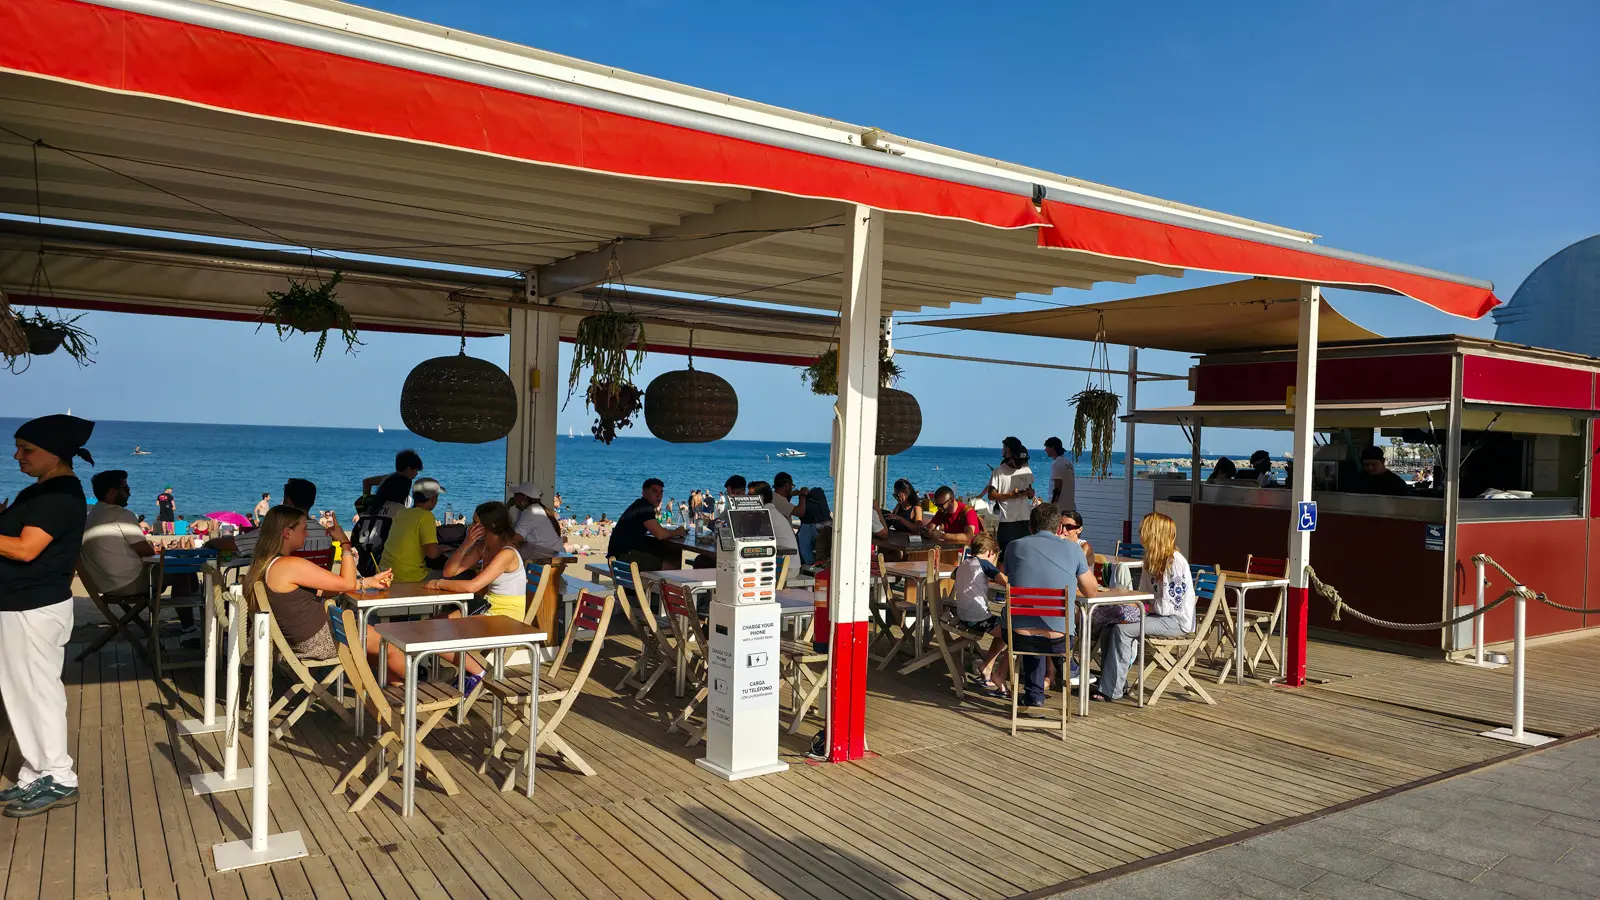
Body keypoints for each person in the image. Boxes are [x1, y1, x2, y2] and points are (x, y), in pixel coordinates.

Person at [0, 414, 96, 816]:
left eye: (27, 450)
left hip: (34, 607)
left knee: (38, 693)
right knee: (21, 693)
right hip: (21, 604)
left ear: (55, 455)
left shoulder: (59, 496)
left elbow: (25, 549)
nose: (17, 456)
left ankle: (59, 776)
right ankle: (36, 771)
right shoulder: (38, 492)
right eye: (18, 447)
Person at [245, 505, 392, 662]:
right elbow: (347, 584)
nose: (307, 534)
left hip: (295, 640)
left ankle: (392, 684)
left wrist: (368, 582)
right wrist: (344, 542)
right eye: (303, 529)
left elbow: (330, 588)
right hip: (316, 641)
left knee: (376, 646)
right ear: (287, 533)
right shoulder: (288, 565)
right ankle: (411, 683)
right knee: (389, 644)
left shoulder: (269, 564)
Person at [1001, 503, 1101, 711]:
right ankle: (1068, 669)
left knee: (1028, 623)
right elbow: (1091, 591)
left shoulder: (1014, 546)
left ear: (1030, 526)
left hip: (1019, 636)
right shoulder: (1074, 549)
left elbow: (1009, 575)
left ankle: (1034, 695)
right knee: (1045, 627)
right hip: (1060, 640)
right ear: (1059, 528)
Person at [1092, 512, 1192, 702]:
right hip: (1158, 615)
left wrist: (1143, 608)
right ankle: (1111, 682)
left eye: (1143, 530)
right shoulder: (1151, 560)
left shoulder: (1175, 562)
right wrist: (1137, 605)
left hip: (1175, 621)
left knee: (1122, 630)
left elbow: (1169, 606)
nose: (1140, 533)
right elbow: (1143, 594)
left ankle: (1112, 689)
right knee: (1109, 628)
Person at [81, 470, 200, 625]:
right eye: (126, 489)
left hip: (102, 583)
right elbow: (145, 551)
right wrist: (156, 550)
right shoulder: (122, 515)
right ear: (112, 492)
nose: (129, 493)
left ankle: (191, 615)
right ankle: (189, 627)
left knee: (182, 570)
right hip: (126, 583)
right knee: (184, 572)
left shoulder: (91, 515)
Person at [608, 478, 688, 571]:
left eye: (661, 492)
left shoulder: (639, 505)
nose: (659, 495)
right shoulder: (645, 508)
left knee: (668, 550)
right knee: (673, 557)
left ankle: (660, 583)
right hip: (623, 559)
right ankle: (666, 584)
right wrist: (678, 532)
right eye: (654, 491)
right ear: (644, 494)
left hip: (616, 557)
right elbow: (660, 534)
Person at [378, 478, 446, 582]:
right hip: (408, 576)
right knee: (457, 575)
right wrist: (442, 548)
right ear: (433, 498)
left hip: (385, 573)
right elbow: (432, 553)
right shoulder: (426, 516)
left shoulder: (402, 512)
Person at [984, 437, 1035, 555]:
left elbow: (1031, 494)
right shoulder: (998, 472)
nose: (1019, 465)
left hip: (1025, 519)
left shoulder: (1026, 469)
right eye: (1017, 462)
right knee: (1005, 556)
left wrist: (1029, 494)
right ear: (1010, 455)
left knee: (1024, 555)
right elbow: (991, 496)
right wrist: (1011, 495)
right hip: (1007, 521)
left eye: (1022, 462)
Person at [507, 481, 567, 558]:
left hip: (547, 558)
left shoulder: (531, 511)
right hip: (553, 554)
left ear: (524, 497)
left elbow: (516, 538)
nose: (513, 498)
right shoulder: (537, 508)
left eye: (515, 495)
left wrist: (507, 507)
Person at [362, 449, 423, 516]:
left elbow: (367, 482)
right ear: (408, 469)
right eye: (416, 470)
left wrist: (366, 507)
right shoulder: (406, 482)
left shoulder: (387, 478)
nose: (417, 473)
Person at [749, 481, 799, 557]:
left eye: (750, 495)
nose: (747, 497)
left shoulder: (765, 514)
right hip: (787, 560)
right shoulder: (771, 511)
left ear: (761, 497)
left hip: (784, 563)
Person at [791, 482, 831, 565]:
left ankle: (810, 565)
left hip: (809, 525)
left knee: (805, 548)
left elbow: (800, 513)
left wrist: (801, 496)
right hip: (825, 523)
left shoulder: (806, 528)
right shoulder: (820, 502)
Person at [1043, 436, 1076, 510]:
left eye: (1047, 447)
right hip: (1070, 505)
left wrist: (1053, 504)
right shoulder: (1068, 462)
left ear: (1052, 448)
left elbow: (1058, 486)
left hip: (1060, 507)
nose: (1045, 450)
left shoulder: (1056, 463)